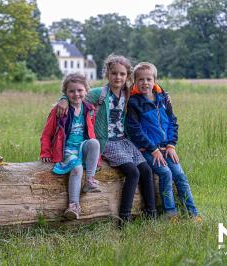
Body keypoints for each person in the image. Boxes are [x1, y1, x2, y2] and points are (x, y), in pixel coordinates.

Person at [56, 55, 157, 224]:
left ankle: (151, 213)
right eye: (114, 73)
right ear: (107, 75)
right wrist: (64, 100)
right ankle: (124, 218)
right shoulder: (99, 94)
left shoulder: (128, 93)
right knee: (133, 172)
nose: (118, 77)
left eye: (122, 74)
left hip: (124, 141)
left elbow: (150, 87)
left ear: (127, 76)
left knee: (146, 170)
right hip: (107, 142)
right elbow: (77, 96)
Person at [126, 62, 201, 222]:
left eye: (148, 79)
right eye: (140, 80)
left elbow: (172, 122)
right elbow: (135, 130)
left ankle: (192, 212)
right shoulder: (134, 103)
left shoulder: (163, 98)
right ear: (135, 82)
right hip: (148, 149)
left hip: (166, 147)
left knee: (180, 175)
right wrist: (153, 149)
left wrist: (171, 145)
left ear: (154, 80)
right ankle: (170, 212)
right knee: (165, 173)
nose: (145, 83)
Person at [40, 73, 101, 220]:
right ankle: (73, 205)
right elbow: (47, 133)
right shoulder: (59, 110)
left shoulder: (89, 109)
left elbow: (91, 132)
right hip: (66, 149)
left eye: (80, 90)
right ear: (65, 93)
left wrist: (96, 158)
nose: (76, 94)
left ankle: (89, 180)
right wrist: (45, 153)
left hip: (81, 146)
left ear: (86, 91)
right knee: (77, 168)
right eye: (71, 91)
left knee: (94, 142)